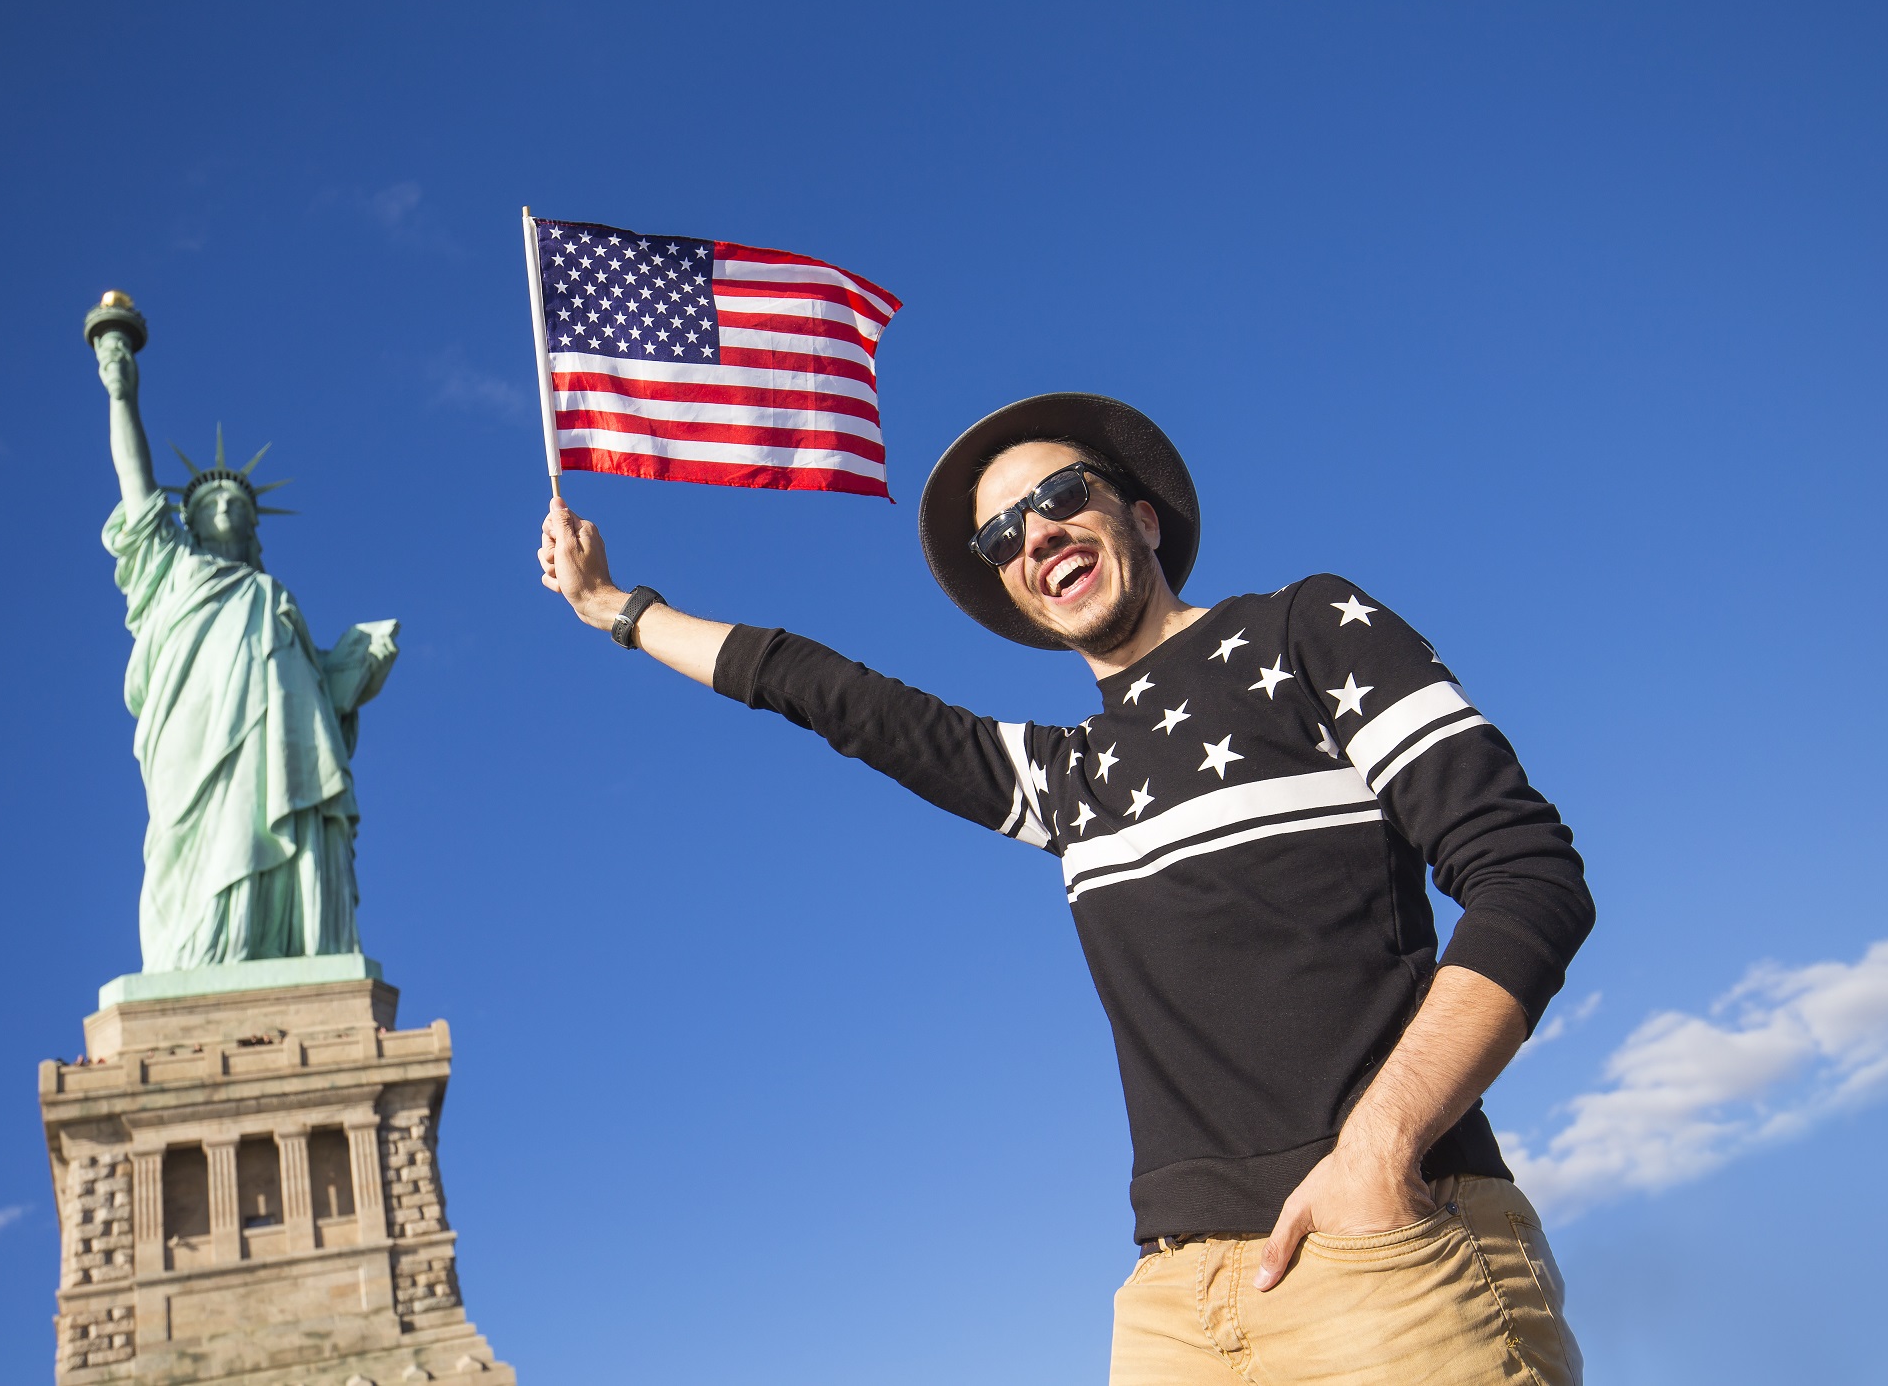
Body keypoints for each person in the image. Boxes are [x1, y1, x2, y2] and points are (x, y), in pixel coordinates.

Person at [536, 392, 1592, 1385]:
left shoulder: (1303, 629)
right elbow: (826, 692)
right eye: (1000, 535)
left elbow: (1525, 872)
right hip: (1172, 1305)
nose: (1032, 533)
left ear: (1138, 513)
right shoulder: (1064, 778)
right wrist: (614, 608)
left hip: (1384, 1255)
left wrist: (1378, 1148)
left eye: (1056, 496)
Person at [95, 323, 398, 971]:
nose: (227, 505)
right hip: (192, 741)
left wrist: (353, 669)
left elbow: (323, 706)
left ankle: (294, 942)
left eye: (239, 500)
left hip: (278, 750)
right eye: (212, 500)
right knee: (189, 842)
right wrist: (121, 394)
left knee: (288, 811)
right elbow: (136, 484)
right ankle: (194, 961)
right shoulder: (170, 571)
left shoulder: (273, 597)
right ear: (191, 519)